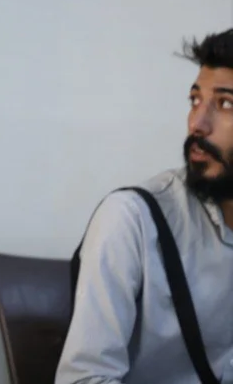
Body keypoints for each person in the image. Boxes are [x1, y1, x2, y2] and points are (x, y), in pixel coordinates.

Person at [57, 29, 233, 384]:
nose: (196, 123)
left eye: (225, 104)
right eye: (195, 100)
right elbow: (84, 379)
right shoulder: (130, 220)